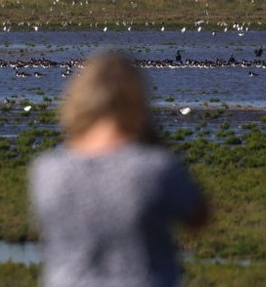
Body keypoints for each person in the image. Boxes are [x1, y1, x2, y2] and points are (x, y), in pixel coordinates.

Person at [29, 51, 209, 287]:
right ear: (139, 101)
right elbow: (199, 217)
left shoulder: (47, 170)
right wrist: (154, 140)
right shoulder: (156, 168)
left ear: (78, 100)